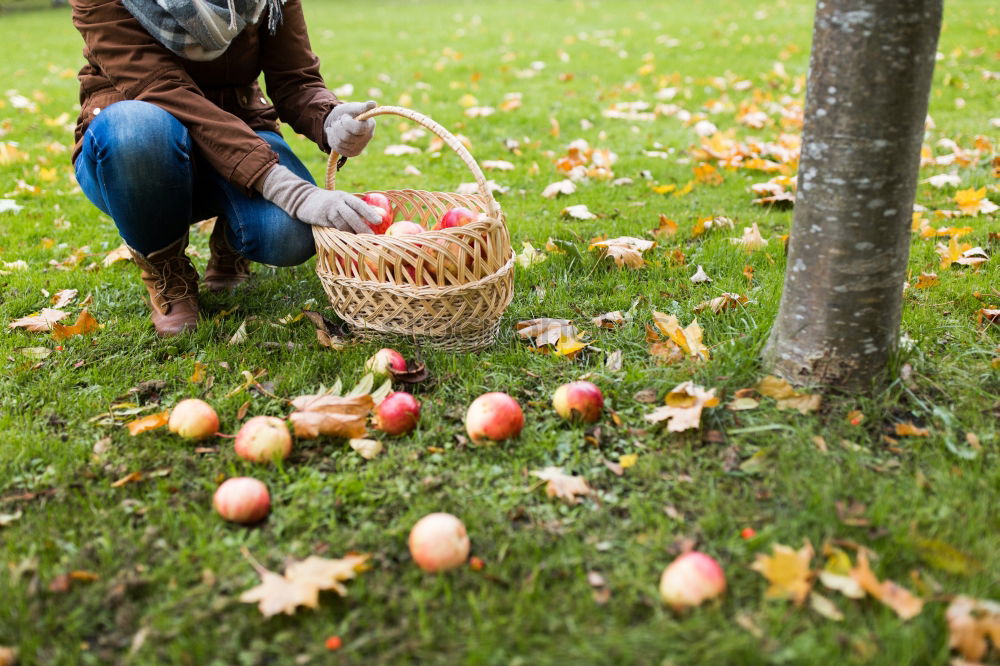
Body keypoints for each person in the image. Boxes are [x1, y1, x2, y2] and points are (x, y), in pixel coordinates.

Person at [69, 0, 381, 336]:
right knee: (137, 128)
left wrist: (330, 118)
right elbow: (162, 90)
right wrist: (290, 191)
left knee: (287, 235)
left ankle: (232, 239)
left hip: (241, 125)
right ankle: (166, 270)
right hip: (138, 146)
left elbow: (294, 79)